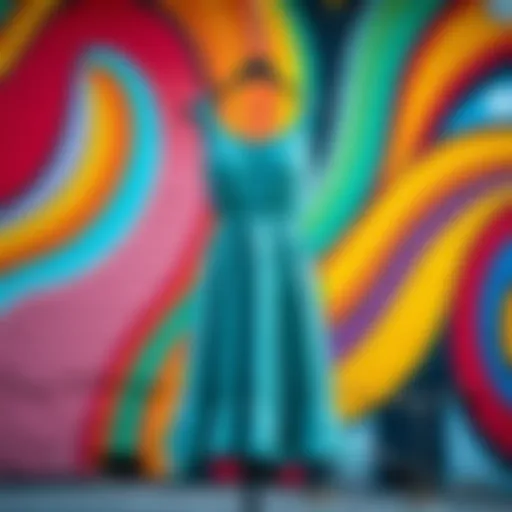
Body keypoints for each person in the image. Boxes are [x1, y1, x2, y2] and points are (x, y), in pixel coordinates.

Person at [172, 55, 337, 489]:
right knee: (226, 350)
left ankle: (305, 446)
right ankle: (211, 444)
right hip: (232, 266)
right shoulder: (212, 117)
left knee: (290, 351)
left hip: (285, 264)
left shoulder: (303, 118)